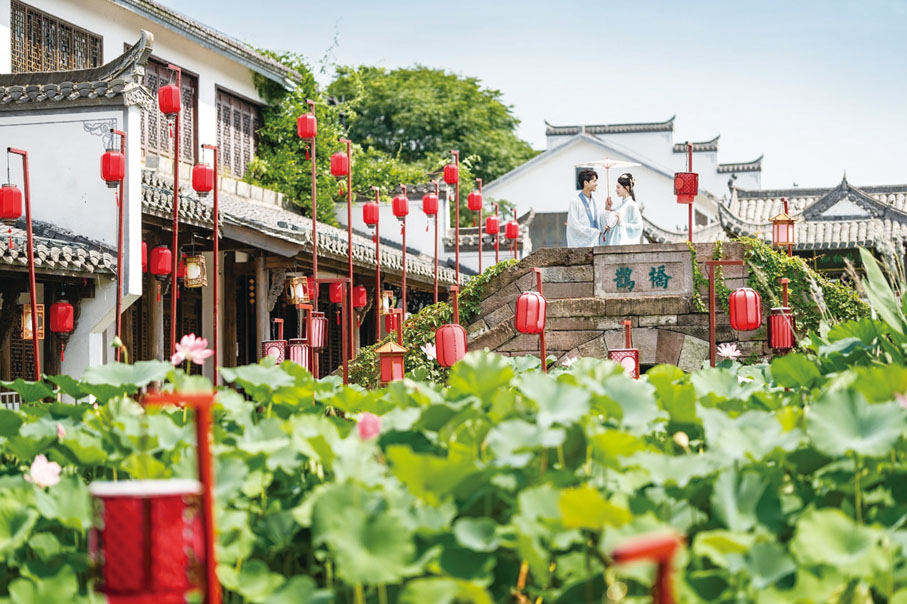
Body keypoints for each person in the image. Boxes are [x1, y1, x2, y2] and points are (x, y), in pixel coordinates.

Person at [567, 169, 606, 247]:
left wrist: (608, 208)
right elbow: (574, 226)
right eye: (594, 181)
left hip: (596, 244)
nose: (596, 184)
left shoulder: (597, 202)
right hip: (581, 246)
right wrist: (595, 232)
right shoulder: (575, 202)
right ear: (586, 183)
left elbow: (601, 221)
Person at [606, 173, 643, 245]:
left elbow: (638, 227)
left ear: (627, 188)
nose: (616, 190)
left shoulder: (632, 205)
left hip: (625, 246)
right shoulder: (619, 207)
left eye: (618, 187)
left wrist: (621, 223)